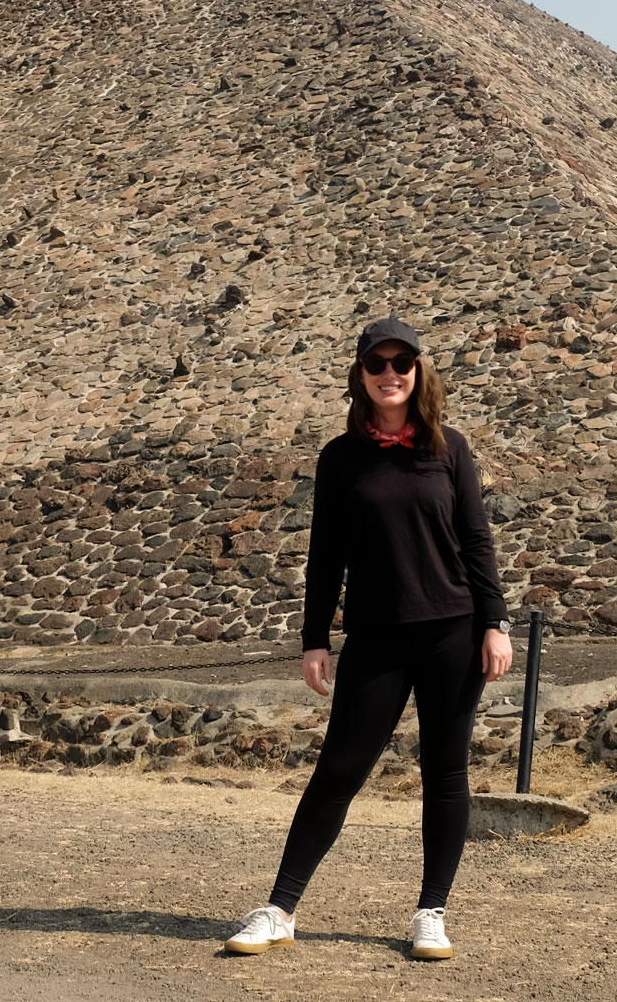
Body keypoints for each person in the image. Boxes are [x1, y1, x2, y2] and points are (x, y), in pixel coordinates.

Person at [225, 316, 512, 962]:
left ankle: (430, 912)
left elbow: (476, 540)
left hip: (453, 633)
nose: (390, 374)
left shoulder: (449, 448)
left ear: (418, 371)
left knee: (445, 772)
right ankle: (280, 907)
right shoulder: (340, 458)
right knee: (339, 770)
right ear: (360, 374)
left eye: (401, 363)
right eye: (377, 364)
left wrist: (495, 621)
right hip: (377, 637)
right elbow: (325, 554)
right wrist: (314, 636)